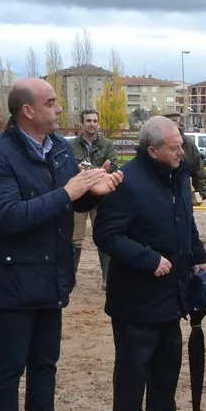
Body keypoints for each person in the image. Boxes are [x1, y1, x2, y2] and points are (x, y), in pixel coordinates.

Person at [0, 79, 123, 411]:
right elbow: (7, 216)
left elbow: (69, 200)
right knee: (9, 366)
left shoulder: (58, 148)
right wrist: (69, 193)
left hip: (50, 276)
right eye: (52, 103)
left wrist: (96, 189)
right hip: (11, 278)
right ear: (27, 111)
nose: (60, 110)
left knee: (45, 363)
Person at [94, 115, 206, 411]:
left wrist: (199, 256)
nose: (182, 153)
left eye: (182, 146)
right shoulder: (125, 182)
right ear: (152, 150)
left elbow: (186, 223)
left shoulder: (178, 176)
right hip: (136, 294)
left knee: (167, 357)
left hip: (172, 290)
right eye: (175, 148)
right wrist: (148, 259)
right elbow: (106, 235)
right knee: (133, 364)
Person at [70, 108, 117, 286]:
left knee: (104, 235)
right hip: (79, 197)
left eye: (95, 121)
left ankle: (107, 279)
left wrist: (93, 172)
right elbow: (66, 167)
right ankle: (71, 276)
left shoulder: (107, 145)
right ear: (81, 124)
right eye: (88, 121)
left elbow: (113, 167)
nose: (92, 124)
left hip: (100, 199)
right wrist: (78, 169)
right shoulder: (71, 146)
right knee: (75, 237)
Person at [162, 109, 206, 205]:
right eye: (171, 122)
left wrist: (200, 193)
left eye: (176, 122)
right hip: (160, 199)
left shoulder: (188, 145)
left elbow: (198, 170)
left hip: (183, 200)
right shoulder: (156, 144)